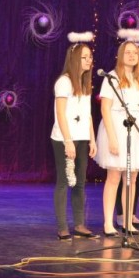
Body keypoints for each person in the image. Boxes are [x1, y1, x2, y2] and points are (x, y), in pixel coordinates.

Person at [95, 38, 139, 236]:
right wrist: (112, 138)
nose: (132, 56)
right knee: (114, 176)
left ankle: (127, 221)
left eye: (134, 53)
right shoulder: (112, 77)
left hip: (138, 128)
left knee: (131, 177)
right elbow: (105, 108)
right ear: (120, 56)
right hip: (118, 127)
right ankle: (108, 223)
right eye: (128, 52)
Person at [51, 32, 99, 240]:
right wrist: (68, 141)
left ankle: (79, 224)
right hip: (64, 138)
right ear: (74, 59)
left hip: (81, 137)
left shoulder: (85, 83)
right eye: (84, 57)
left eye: (90, 57)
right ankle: (62, 226)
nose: (89, 60)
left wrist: (92, 139)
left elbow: (87, 114)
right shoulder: (64, 82)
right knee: (64, 181)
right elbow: (61, 113)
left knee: (80, 181)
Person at [114, 32, 139, 230]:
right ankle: (121, 215)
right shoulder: (117, 78)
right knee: (122, 174)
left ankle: (131, 214)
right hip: (124, 128)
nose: (137, 58)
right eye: (131, 53)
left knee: (135, 176)